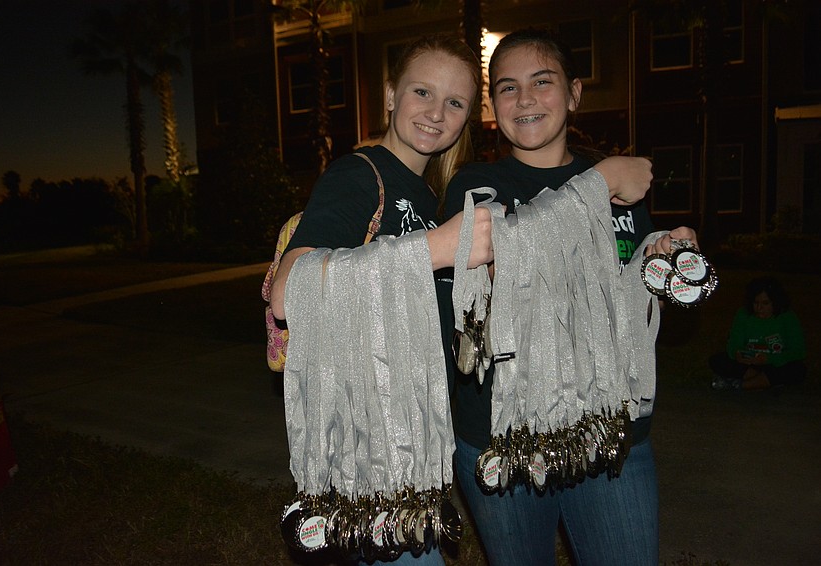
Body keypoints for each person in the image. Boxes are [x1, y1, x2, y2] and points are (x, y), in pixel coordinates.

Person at [269, 33, 651, 565]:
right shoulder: (359, 175)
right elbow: (289, 294)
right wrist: (439, 247)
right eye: (422, 92)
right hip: (367, 452)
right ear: (389, 95)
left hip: (414, 447)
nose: (435, 113)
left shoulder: (427, 194)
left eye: (454, 102)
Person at [441, 27, 698, 566]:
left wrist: (662, 264)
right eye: (507, 87)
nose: (525, 99)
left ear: (575, 93)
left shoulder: (618, 188)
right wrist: (601, 180)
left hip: (610, 430)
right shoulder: (476, 184)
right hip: (502, 435)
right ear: (493, 106)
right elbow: (503, 272)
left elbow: (630, 306)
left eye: (542, 81)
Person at [710, 276, 806, 391]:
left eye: (765, 303)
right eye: (756, 303)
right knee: (718, 360)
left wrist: (769, 359)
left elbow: (798, 351)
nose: (759, 308)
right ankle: (765, 382)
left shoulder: (787, 317)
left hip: (775, 363)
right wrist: (737, 354)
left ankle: (741, 385)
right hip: (749, 364)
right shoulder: (743, 314)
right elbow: (734, 342)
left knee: (797, 369)